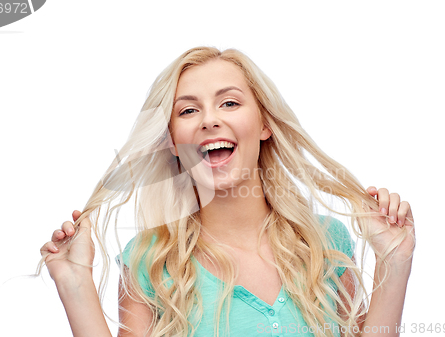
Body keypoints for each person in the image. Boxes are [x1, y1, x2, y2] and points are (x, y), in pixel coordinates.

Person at [38, 46, 415, 337]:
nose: (209, 119)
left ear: (265, 124)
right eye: (187, 111)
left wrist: (394, 262)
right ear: (172, 142)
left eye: (230, 103)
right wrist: (75, 286)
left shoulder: (326, 243)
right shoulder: (149, 262)